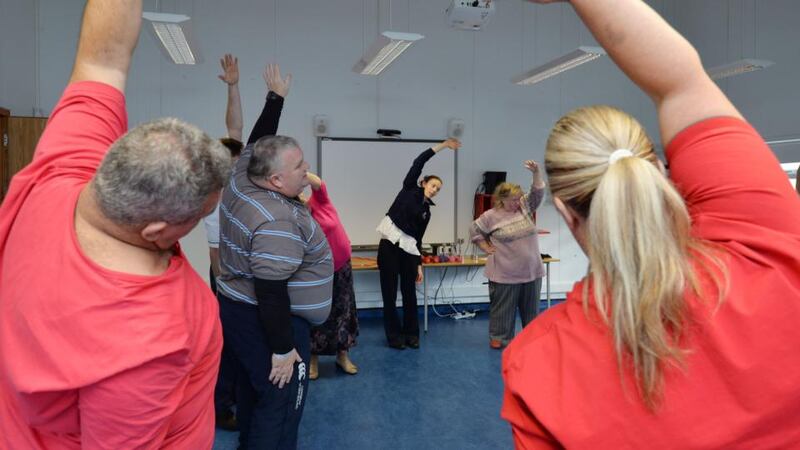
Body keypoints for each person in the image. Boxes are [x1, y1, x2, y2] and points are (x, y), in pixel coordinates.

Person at [503, 0, 800, 448]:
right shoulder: (762, 246)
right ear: (660, 173)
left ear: (565, 212)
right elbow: (680, 82)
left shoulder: (540, 363)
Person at [0, 1, 233, 448]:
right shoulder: (145, 339)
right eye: (202, 214)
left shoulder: (64, 166)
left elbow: (101, 58)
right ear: (157, 231)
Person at [217, 69, 333, 448]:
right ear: (276, 181)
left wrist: (275, 99)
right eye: (299, 167)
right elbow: (270, 292)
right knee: (280, 401)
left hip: (235, 306)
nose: (307, 170)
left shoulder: (242, 176)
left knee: (255, 390)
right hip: (269, 320)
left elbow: (256, 141)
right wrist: (283, 351)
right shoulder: (276, 220)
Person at [376, 138, 461, 349]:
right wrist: (442, 146)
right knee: (389, 293)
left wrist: (419, 265)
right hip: (389, 247)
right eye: (433, 185)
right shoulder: (408, 188)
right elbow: (419, 161)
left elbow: (418, 239)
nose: (434, 190)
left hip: (408, 252)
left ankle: (411, 334)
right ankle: (394, 337)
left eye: (438, 189)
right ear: (423, 183)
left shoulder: (427, 212)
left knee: (409, 293)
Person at [204, 52, 245, 431]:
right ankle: (222, 406)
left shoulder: (238, 184)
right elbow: (216, 254)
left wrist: (233, 86)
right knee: (228, 345)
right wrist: (227, 289)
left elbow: (234, 129)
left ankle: (238, 398)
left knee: (243, 343)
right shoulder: (214, 199)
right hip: (226, 277)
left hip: (244, 275)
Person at [470, 160, 546, 350]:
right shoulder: (490, 216)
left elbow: (537, 192)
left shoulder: (524, 207)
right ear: (501, 199)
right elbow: (474, 230)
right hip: (504, 272)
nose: (517, 202)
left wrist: (536, 172)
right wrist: (485, 246)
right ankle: (500, 338)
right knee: (502, 309)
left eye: (519, 197)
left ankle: (532, 337)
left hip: (531, 270)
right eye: (513, 199)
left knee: (531, 309)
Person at [305, 172, 360, 379]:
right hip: (317, 271)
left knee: (344, 312)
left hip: (342, 266)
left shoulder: (320, 201)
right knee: (317, 315)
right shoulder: (297, 215)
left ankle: (342, 355)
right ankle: (312, 359)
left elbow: (319, 184)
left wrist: (299, 170)